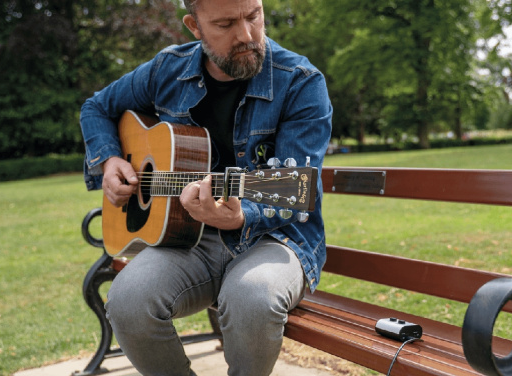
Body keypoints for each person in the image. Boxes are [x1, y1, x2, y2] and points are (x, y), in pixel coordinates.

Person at [78, 0, 332, 374]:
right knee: (128, 300)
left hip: (278, 238)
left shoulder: (300, 81)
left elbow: (295, 191)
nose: (246, 35)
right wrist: (110, 160)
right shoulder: (168, 69)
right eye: (226, 24)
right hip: (190, 239)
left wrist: (241, 214)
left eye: (253, 16)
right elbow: (96, 108)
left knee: (251, 297)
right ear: (194, 27)